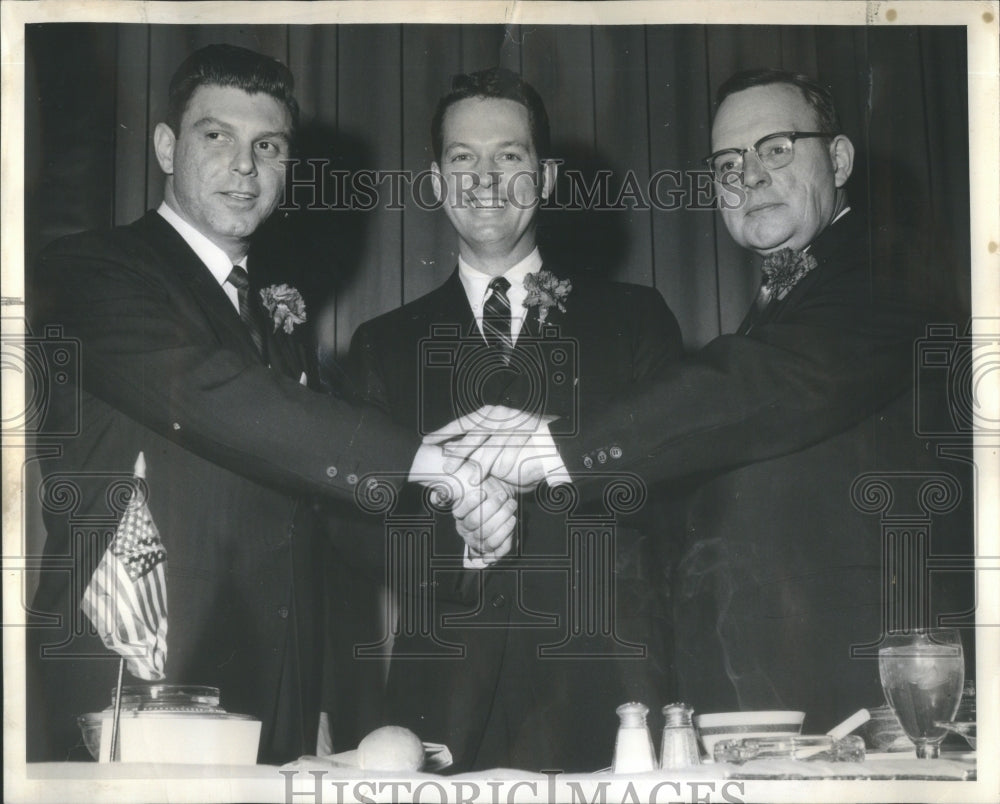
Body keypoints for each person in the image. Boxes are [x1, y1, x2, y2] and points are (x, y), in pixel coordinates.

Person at [437, 69, 973, 732]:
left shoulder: (891, 266)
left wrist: (547, 448)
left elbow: (761, 384)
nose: (747, 175)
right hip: (766, 690)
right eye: (727, 162)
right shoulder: (783, 298)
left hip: (870, 691)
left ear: (838, 158)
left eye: (776, 147)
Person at [25, 44, 513, 764]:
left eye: (269, 146)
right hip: (135, 687)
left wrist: (465, 535)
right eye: (215, 136)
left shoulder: (274, 323)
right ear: (164, 146)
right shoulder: (94, 273)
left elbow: (314, 524)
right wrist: (437, 466)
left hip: (273, 704)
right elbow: (220, 396)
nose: (244, 166)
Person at [342, 67, 684, 771]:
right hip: (441, 701)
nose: (485, 178)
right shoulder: (382, 343)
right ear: (437, 181)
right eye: (463, 158)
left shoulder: (636, 319)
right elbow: (358, 533)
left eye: (510, 156)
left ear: (548, 177)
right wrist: (459, 536)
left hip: (607, 690)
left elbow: (676, 498)